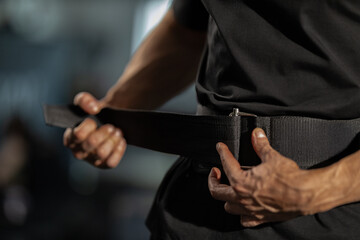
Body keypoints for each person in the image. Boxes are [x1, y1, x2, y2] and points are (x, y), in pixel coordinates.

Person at [63, 0, 360, 239]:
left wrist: (313, 191)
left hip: (327, 214)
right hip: (195, 207)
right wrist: (113, 113)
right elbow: (186, 32)